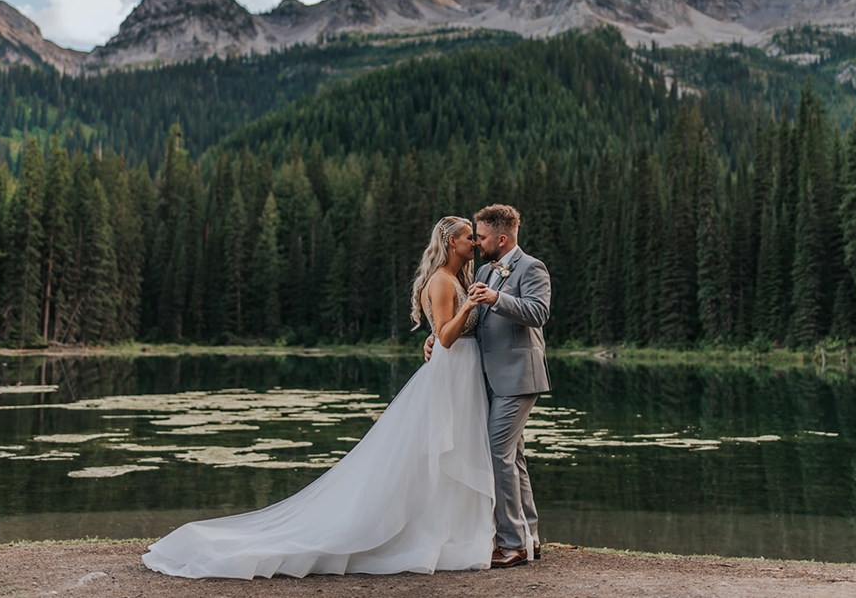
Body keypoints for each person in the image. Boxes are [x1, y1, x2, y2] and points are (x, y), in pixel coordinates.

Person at [142, 216, 495, 579]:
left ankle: (455, 535)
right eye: (469, 238)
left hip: (460, 376)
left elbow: (442, 335)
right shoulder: (440, 280)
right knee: (435, 457)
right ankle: (426, 537)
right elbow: (448, 337)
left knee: (455, 454)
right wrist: (467, 308)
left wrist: (450, 322)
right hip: (450, 376)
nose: (474, 244)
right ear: (452, 242)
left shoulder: (457, 279)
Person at [425, 203, 552, 568]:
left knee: (497, 452)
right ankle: (529, 537)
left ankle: (511, 545)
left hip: (518, 375)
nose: (477, 244)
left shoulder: (532, 268)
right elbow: (469, 321)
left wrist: (498, 298)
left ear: (501, 237)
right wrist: (436, 338)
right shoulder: (482, 269)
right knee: (515, 458)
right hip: (487, 377)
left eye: (481, 237)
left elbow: (538, 313)